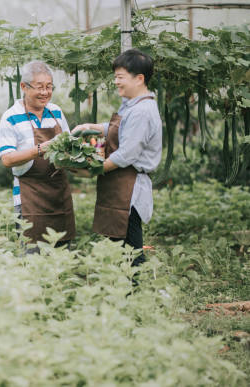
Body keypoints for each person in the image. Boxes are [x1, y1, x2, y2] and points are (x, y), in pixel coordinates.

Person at [72, 48, 162, 266]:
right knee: (120, 246)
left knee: (130, 249)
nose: (116, 82)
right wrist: (90, 127)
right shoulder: (133, 106)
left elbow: (126, 155)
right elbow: (119, 130)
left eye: (120, 77)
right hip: (121, 184)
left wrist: (93, 169)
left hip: (129, 188)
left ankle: (135, 294)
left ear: (139, 78)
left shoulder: (142, 111)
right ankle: (125, 292)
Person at [0, 60, 75, 251]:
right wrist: (40, 149)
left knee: (63, 258)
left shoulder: (55, 111)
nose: (45, 92)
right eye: (39, 87)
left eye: (49, 87)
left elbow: (68, 145)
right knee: (32, 256)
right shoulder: (10, 117)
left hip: (59, 194)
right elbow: (7, 159)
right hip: (28, 198)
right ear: (24, 87)